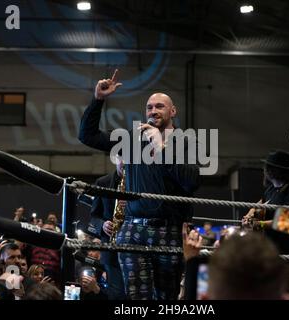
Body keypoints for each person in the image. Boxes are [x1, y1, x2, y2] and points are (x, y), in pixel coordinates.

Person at [78, 69, 201, 300]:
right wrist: (98, 100)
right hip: (132, 230)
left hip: (169, 229)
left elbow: (191, 182)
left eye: (159, 106)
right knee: (136, 298)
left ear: (173, 111)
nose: (153, 111)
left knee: (167, 296)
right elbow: (87, 135)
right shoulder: (132, 140)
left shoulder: (186, 142)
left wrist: (161, 147)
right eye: (149, 107)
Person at [243, 150, 289, 255]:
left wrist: (260, 224)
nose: (264, 170)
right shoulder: (271, 189)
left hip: (288, 252)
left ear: (273, 171)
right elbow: (261, 202)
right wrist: (249, 214)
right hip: (272, 249)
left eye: (267, 167)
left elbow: (288, 222)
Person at [85, 156, 127, 299]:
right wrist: (102, 225)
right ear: (116, 159)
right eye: (123, 158)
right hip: (111, 251)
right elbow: (93, 218)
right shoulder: (102, 183)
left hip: (135, 248)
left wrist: (133, 207)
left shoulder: (141, 183)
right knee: (117, 295)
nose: (126, 162)